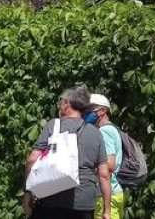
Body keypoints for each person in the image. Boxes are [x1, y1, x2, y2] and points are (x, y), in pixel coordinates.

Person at [24, 85, 113, 219]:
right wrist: (107, 211)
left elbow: (32, 160)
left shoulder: (53, 126)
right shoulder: (95, 133)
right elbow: (104, 175)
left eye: (61, 101)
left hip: (51, 199)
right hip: (83, 203)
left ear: (67, 104)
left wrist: (29, 191)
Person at [89, 94, 125, 219]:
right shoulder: (112, 129)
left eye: (91, 108)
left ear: (103, 111)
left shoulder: (104, 131)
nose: (87, 112)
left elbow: (109, 165)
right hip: (113, 193)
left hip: (107, 196)